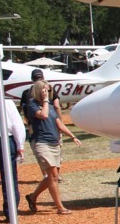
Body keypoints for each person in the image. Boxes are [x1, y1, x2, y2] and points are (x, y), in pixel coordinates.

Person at [22, 79, 80, 215]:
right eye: (44, 90)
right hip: (41, 142)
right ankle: (60, 207)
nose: (47, 93)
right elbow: (43, 115)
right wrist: (46, 101)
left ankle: (32, 197)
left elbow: (59, 124)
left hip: (54, 142)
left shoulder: (51, 107)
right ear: (38, 91)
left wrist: (73, 136)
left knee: (52, 176)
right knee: (52, 175)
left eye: (48, 90)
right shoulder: (32, 105)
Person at [0, 76, 26, 223]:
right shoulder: (8, 103)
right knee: (10, 178)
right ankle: (11, 211)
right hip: (7, 139)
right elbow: (18, 125)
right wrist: (20, 145)